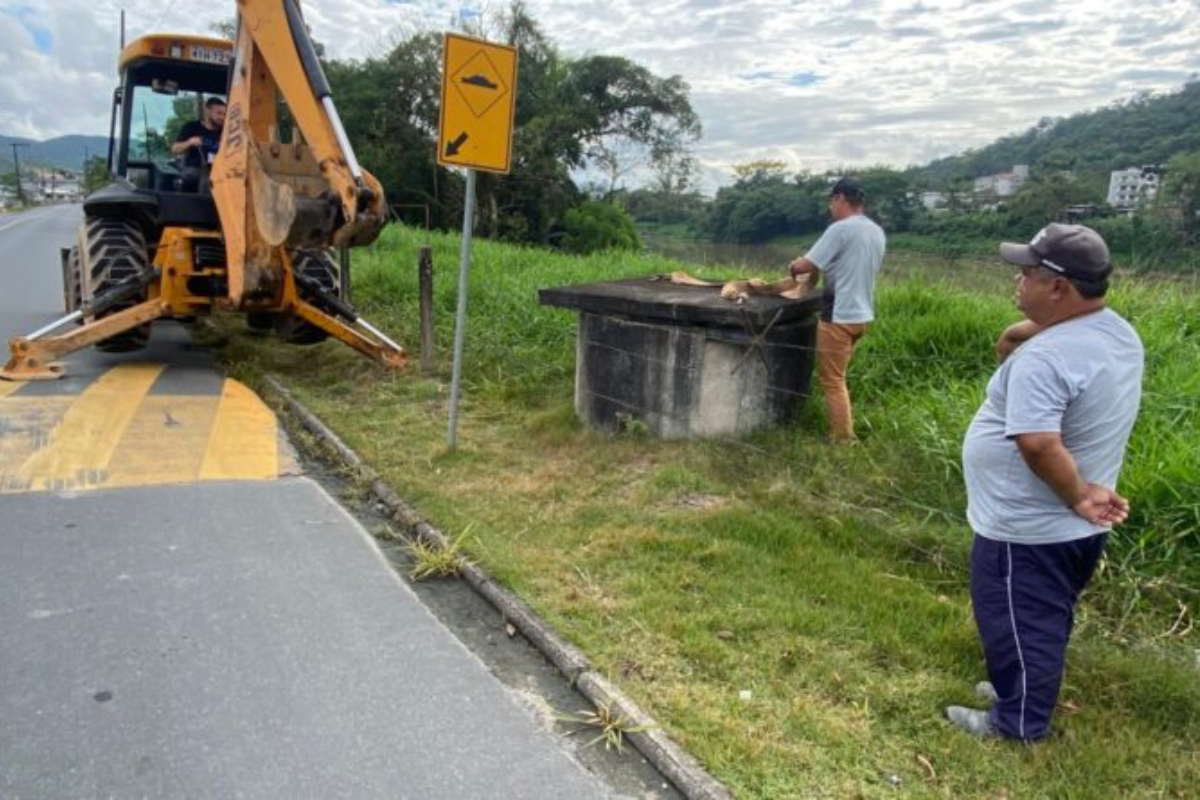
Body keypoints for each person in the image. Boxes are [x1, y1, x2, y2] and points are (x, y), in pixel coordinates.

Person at [947, 223, 1144, 741]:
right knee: (1036, 617)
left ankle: (1017, 724)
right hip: (1066, 527)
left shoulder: (1047, 357)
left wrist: (1077, 495)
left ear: (1058, 287)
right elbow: (1058, 342)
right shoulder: (1114, 332)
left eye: (1028, 273)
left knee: (1021, 622)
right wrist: (1020, 332)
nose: (1017, 281)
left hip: (1029, 524)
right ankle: (1017, 690)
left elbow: (1037, 443)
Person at [788, 177, 886, 442]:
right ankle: (842, 432)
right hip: (862, 315)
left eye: (832, 200)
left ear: (841, 198)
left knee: (832, 381)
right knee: (838, 377)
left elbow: (805, 266)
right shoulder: (875, 231)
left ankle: (842, 439)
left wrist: (795, 265)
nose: (830, 206)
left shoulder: (840, 229)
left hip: (838, 316)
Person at [171, 97, 226, 168]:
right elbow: (175, 149)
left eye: (224, 114)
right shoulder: (192, 127)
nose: (222, 117)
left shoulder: (225, 132)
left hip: (220, 171)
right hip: (196, 171)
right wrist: (189, 142)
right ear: (207, 111)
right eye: (219, 113)